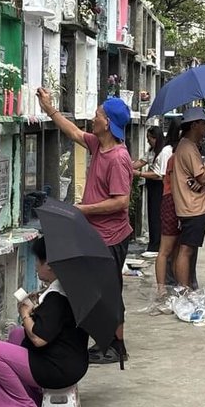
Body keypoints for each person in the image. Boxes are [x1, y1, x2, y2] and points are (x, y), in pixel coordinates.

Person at [36, 88, 132, 365]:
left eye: (98, 114)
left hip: (112, 235)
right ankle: (105, 341)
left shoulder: (117, 158)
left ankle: (117, 346)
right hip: (97, 233)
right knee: (98, 289)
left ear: (108, 124)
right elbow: (74, 133)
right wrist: (50, 109)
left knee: (109, 291)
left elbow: (121, 202)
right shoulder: (99, 146)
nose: (93, 117)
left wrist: (82, 209)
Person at [0, 237, 88, 407]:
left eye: (39, 261)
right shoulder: (67, 289)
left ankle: (22, 405)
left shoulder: (57, 298)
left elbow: (39, 339)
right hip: (71, 361)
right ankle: (31, 395)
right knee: (16, 335)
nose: (36, 266)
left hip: (57, 369)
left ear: (50, 265)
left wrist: (25, 314)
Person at [171, 107, 205, 289]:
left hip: (191, 205)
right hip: (192, 207)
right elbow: (202, 177)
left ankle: (187, 286)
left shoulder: (187, 146)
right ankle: (184, 289)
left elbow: (197, 179)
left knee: (189, 249)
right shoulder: (187, 146)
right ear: (194, 125)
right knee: (186, 250)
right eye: (204, 124)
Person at [133, 126, 172, 257]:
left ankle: (157, 244)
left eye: (150, 139)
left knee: (157, 214)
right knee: (152, 214)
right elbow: (141, 161)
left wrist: (139, 174)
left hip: (159, 185)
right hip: (152, 184)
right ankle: (153, 242)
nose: (148, 141)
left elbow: (159, 174)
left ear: (156, 138)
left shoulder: (165, 151)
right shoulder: (152, 150)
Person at [154, 123, 182, 297]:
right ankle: (161, 288)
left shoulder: (177, 155)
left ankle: (174, 286)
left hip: (176, 202)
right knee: (166, 249)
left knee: (177, 249)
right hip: (171, 201)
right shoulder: (172, 156)